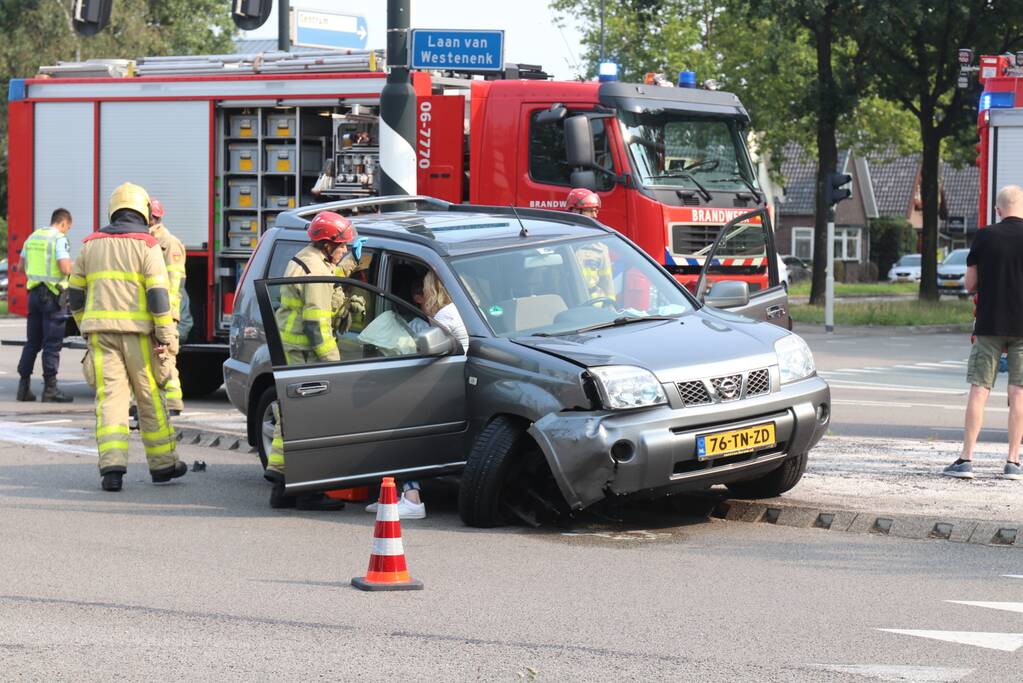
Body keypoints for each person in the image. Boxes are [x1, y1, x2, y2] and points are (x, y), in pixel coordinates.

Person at [68, 183, 185, 492]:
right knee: (149, 399)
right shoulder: (147, 245)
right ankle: (163, 466)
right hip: (139, 338)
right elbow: (159, 297)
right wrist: (166, 336)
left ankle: (112, 469)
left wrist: (85, 325)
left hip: (100, 336)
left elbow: (75, 293)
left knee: (110, 402)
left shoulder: (90, 245)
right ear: (143, 212)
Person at [265, 211, 363, 510]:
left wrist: (351, 263)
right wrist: (332, 365)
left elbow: (327, 277)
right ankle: (309, 492)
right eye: (342, 245)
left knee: (291, 417)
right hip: (306, 354)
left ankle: (282, 485)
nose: (345, 249)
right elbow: (316, 323)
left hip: (289, 350)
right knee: (313, 421)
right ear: (327, 244)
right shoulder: (314, 269)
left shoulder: (306, 259)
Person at [367, 271, 468, 519]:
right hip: (460, 386)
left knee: (400, 432)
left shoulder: (444, 315)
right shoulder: (461, 309)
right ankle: (389, 496)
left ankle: (411, 499)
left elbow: (431, 351)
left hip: (449, 387)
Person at [944, 185, 1023, 481]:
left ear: (998, 210)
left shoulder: (986, 235)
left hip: (989, 324)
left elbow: (970, 284)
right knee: (1019, 394)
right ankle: (1013, 462)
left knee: (980, 390)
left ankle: (966, 460)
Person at [16, 208, 74, 403]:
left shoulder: (32, 237)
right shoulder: (59, 239)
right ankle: (50, 389)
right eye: (68, 228)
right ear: (64, 223)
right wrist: (78, 268)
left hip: (34, 295)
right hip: (53, 297)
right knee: (52, 344)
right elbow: (65, 267)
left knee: (32, 342)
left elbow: (20, 267)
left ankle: (23, 388)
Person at [147, 199, 187, 414]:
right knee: (149, 357)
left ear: (153, 217)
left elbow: (174, 282)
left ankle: (172, 403)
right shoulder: (150, 241)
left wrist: (167, 315)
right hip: (154, 309)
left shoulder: (168, 243)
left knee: (165, 356)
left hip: (165, 311)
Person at [566, 188, 615, 302]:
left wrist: (609, 307)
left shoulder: (600, 249)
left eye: (596, 211)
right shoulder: (559, 244)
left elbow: (607, 285)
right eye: (590, 210)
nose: (595, 216)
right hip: (568, 307)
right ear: (574, 211)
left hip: (594, 309)